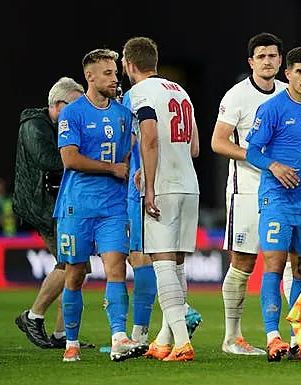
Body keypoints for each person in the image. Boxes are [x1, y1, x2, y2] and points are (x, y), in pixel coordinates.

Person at [245, 46, 301, 362]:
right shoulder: (272, 108)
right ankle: (272, 337)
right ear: (288, 74)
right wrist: (274, 166)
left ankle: (300, 339)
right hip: (277, 199)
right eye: (300, 72)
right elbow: (252, 151)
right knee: (274, 264)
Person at [55, 49, 138, 362]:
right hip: (77, 206)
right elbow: (70, 158)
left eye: (115, 73)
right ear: (89, 76)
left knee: (116, 268)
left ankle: (119, 337)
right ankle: (71, 342)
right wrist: (112, 168)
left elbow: (129, 146)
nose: (114, 78)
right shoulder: (73, 113)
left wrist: (130, 163)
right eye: (107, 73)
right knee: (75, 274)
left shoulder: (121, 113)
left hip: (113, 207)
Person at [122, 36, 200, 362]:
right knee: (177, 266)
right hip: (189, 184)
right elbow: (194, 147)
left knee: (162, 263)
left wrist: (149, 182)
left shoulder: (139, 93)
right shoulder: (179, 91)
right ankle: (165, 340)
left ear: (128, 65)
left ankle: (182, 343)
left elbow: (149, 138)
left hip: (164, 187)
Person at [211, 32, 286, 355]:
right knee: (243, 261)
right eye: (262, 56)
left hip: (284, 192)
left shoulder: (287, 92)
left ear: (281, 60)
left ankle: (296, 332)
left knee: (289, 261)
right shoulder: (237, 96)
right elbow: (218, 141)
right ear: (251, 62)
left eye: (273, 56)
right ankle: (232, 337)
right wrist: (261, 161)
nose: (268, 61)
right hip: (246, 190)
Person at [12, 77, 95, 350]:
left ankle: (63, 334)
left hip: (59, 203)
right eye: (73, 105)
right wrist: (83, 157)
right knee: (71, 263)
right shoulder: (34, 125)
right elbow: (47, 160)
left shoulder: (61, 125)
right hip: (41, 205)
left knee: (77, 267)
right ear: (57, 105)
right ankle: (33, 316)